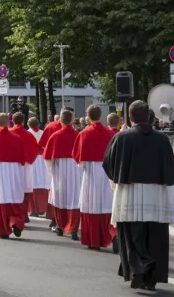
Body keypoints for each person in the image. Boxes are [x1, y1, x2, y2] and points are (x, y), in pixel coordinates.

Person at [103, 100, 174, 290]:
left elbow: (108, 164)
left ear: (131, 117)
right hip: (157, 194)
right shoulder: (162, 139)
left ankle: (139, 269)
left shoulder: (122, 137)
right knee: (156, 235)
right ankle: (152, 277)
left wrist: (117, 180)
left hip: (129, 192)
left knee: (132, 233)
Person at [71, 104, 116, 251]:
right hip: (107, 173)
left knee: (91, 205)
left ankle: (93, 240)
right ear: (100, 116)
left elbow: (79, 159)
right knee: (107, 204)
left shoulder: (84, 134)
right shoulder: (110, 134)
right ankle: (111, 236)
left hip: (91, 173)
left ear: (88, 116)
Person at [44, 110, 81, 240]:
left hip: (59, 169)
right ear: (71, 120)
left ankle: (60, 226)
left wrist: (51, 171)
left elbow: (48, 157)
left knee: (60, 198)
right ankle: (73, 229)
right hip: (75, 171)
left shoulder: (55, 136)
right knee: (74, 199)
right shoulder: (77, 135)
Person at [10, 112, 40, 221]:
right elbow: (35, 149)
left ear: (12, 121)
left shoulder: (9, 133)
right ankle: (24, 214)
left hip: (12, 167)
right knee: (25, 191)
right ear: (23, 121)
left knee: (14, 190)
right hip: (26, 166)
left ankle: (16, 215)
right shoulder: (29, 135)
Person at [27, 117, 50, 216]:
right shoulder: (43, 132)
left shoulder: (28, 133)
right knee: (43, 183)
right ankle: (43, 207)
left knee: (33, 183)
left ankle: (34, 209)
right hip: (42, 160)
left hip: (33, 159)